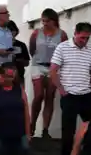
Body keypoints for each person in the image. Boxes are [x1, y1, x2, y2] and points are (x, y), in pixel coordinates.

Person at [50, 22, 91, 155]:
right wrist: (61, 90)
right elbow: (53, 71)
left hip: (86, 95)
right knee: (68, 133)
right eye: (82, 37)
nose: (85, 41)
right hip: (69, 95)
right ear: (75, 33)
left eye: (87, 38)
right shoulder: (62, 48)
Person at [29, 8, 67, 139]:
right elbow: (32, 49)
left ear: (54, 21)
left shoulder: (61, 35)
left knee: (50, 96)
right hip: (38, 65)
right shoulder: (36, 33)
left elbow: (64, 51)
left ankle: (45, 129)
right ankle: (32, 123)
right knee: (39, 95)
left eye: (47, 21)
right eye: (43, 21)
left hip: (53, 67)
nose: (45, 24)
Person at [5, 21, 31, 92]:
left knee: (20, 95)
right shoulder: (0, 45)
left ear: (16, 31)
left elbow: (27, 62)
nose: (11, 33)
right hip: (5, 77)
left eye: (13, 30)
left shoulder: (21, 45)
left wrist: (18, 60)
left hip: (19, 76)